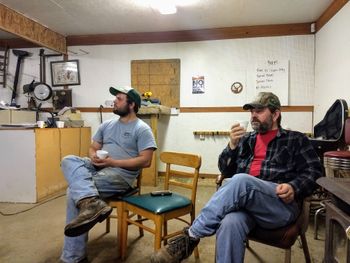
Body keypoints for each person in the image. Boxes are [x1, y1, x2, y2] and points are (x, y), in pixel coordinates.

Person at [151, 92, 322, 263]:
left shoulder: (295, 139)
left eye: (259, 111)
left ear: (275, 114)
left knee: (241, 180)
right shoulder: (246, 139)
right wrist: (232, 145)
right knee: (229, 223)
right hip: (247, 205)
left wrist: (294, 186)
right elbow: (224, 169)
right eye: (251, 111)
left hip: (278, 205)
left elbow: (315, 171)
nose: (253, 115)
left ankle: (191, 236)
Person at [60, 86, 157, 263]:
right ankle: (91, 202)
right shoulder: (107, 125)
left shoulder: (142, 129)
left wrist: (112, 162)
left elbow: (146, 161)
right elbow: (93, 147)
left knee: (72, 192)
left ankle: (73, 257)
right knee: (68, 160)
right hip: (98, 167)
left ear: (131, 104)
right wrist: (93, 157)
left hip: (120, 174)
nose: (114, 101)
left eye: (119, 99)